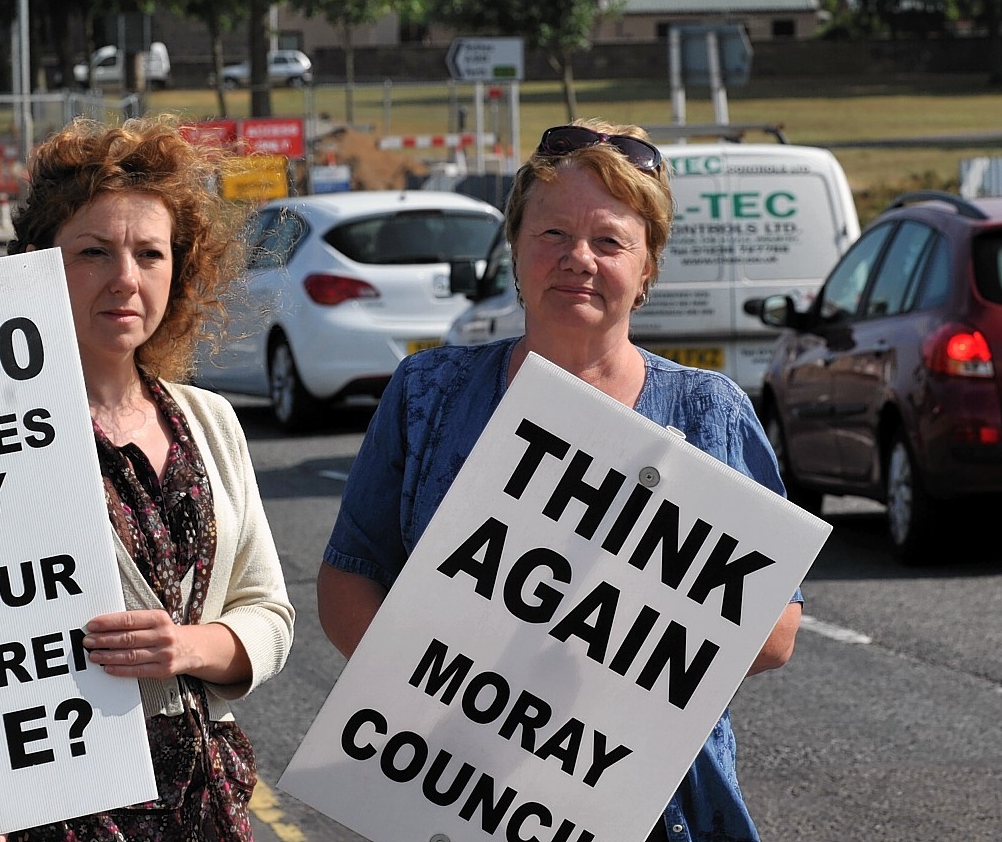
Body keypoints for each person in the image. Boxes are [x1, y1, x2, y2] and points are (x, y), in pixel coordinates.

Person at [318, 120, 803, 842]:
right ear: (515, 249)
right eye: (553, 235)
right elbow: (350, 579)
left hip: (652, 809)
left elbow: (774, 632)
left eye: (609, 241)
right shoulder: (430, 393)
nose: (578, 259)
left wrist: (610, 663)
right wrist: (445, 697)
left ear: (648, 270)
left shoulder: (711, 414)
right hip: (454, 789)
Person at [0, 115, 294, 842]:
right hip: (57, 814)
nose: (125, 279)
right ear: (37, 264)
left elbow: (270, 614)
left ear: (179, 270)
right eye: (93, 253)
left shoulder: (210, 421)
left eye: (149, 254)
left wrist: (187, 648)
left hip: (206, 807)